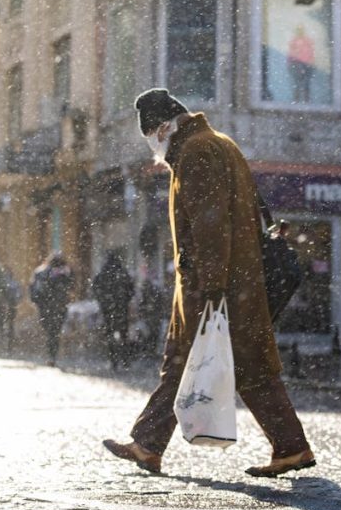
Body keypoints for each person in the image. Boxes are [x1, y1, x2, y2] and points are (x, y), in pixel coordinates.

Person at [103, 88, 315, 478]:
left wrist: (212, 286)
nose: (154, 147)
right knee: (237, 366)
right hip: (236, 281)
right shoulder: (217, 143)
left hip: (217, 287)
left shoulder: (197, 152)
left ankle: (150, 444)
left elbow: (210, 222)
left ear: (164, 127)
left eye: (152, 137)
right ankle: (289, 447)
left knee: (193, 362)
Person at [92, 251, 136, 371]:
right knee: (123, 335)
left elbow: (95, 288)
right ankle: (125, 360)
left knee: (110, 335)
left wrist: (103, 302)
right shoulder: (122, 272)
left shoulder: (103, 273)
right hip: (121, 309)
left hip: (108, 310)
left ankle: (113, 361)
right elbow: (131, 289)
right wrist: (124, 300)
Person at [30, 252, 74, 367]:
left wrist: (36, 301)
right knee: (55, 332)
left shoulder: (41, 271)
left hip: (44, 306)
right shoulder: (65, 271)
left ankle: (51, 354)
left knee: (49, 331)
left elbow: (33, 288)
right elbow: (72, 285)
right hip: (59, 306)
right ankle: (52, 355)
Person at [3, 265, 22, 356]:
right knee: (10, 326)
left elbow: (19, 295)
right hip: (10, 306)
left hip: (5, 306)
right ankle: (8, 346)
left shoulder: (5, 283)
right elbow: (19, 295)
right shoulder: (14, 283)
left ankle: (7, 345)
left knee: (7, 326)